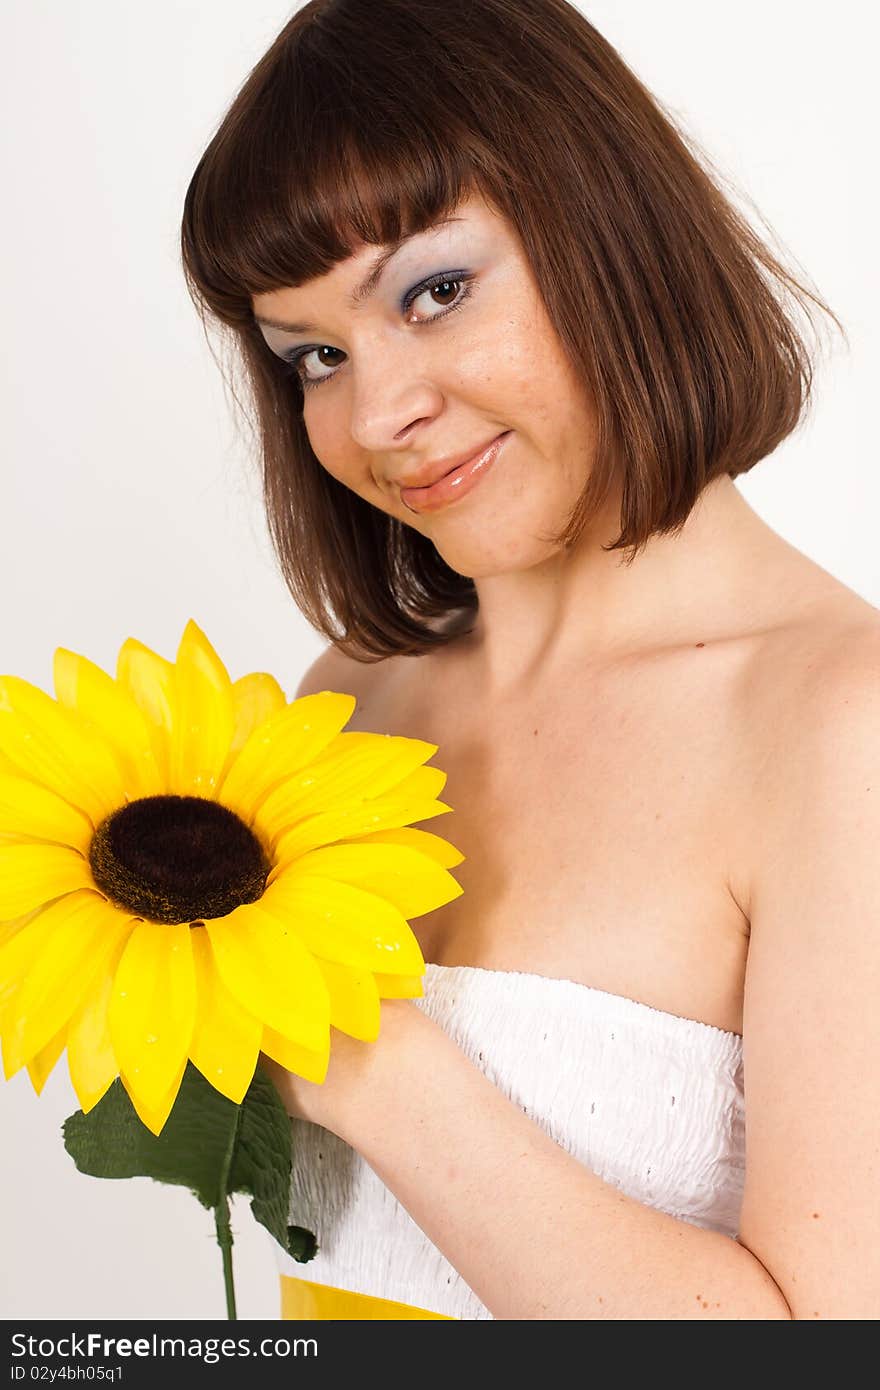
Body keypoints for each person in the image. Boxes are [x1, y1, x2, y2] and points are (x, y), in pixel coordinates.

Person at [180, 0, 879, 1320]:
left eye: (434, 291)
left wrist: (377, 1063)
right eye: (314, 354)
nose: (379, 414)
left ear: (609, 227)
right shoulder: (349, 701)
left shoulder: (841, 728)